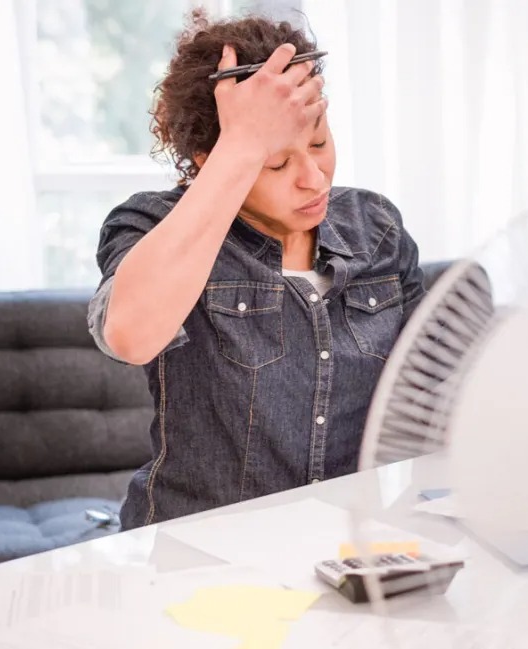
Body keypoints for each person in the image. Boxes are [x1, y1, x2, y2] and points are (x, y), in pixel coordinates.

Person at [87, 10, 426, 530]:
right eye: (276, 163)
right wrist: (243, 143)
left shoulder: (375, 227)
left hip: (347, 549)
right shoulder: (154, 224)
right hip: (198, 550)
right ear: (209, 159)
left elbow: (430, 384)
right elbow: (130, 336)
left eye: (318, 143)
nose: (314, 179)